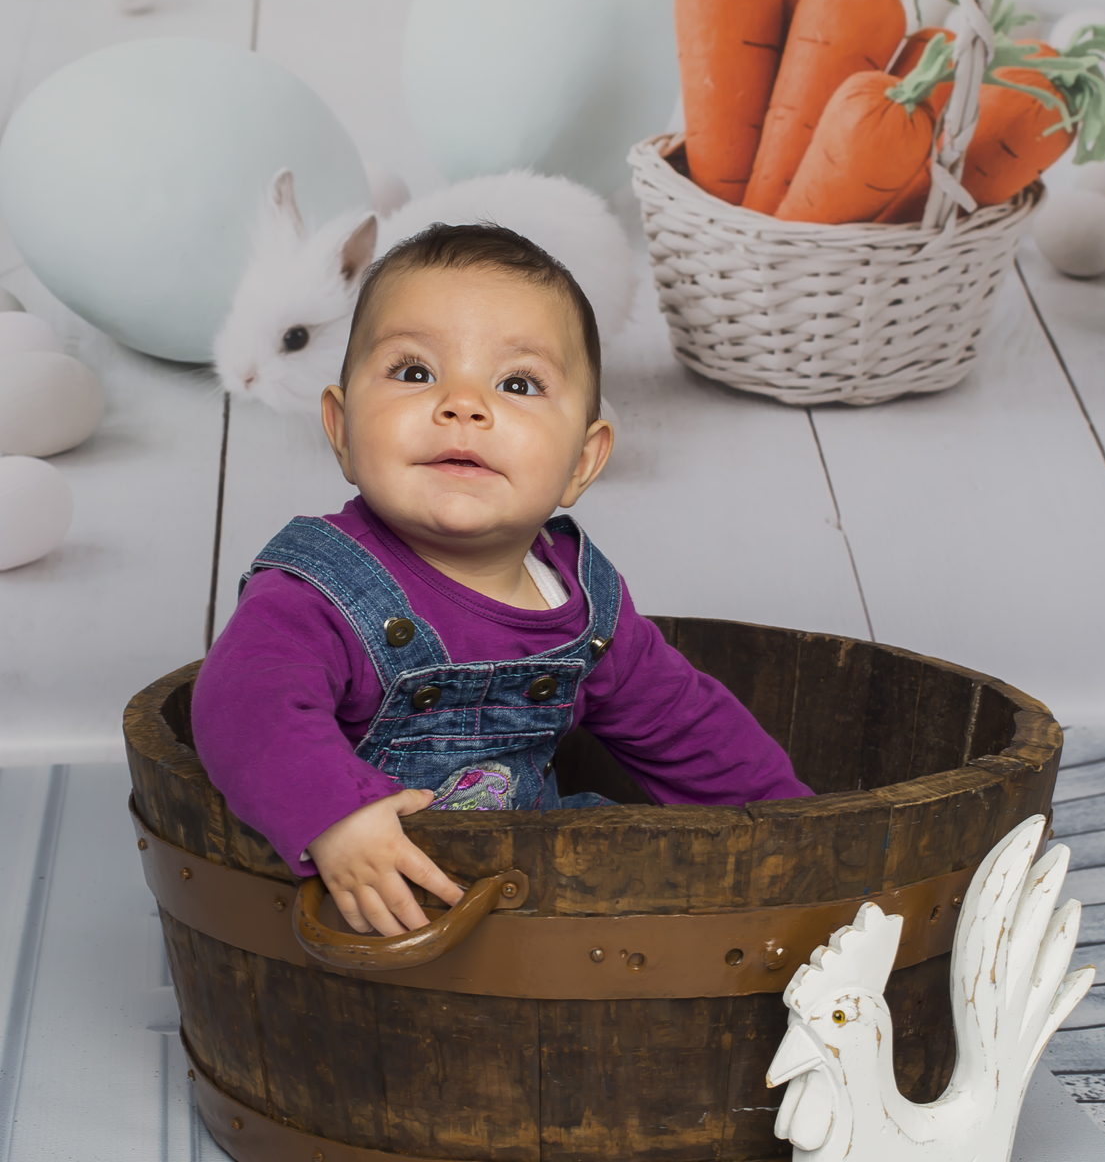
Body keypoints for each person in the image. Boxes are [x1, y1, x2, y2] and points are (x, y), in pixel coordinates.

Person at [191, 223, 812, 939]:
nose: (463, 404)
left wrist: (794, 832)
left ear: (582, 461)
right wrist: (336, 814)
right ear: (341, 430)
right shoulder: (319, 591)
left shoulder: (584, 608)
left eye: (518, 383)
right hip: (377, 904)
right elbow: (246, 704)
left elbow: (688, 729)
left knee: (642, 868)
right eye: (415, 371)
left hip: (530, 899)